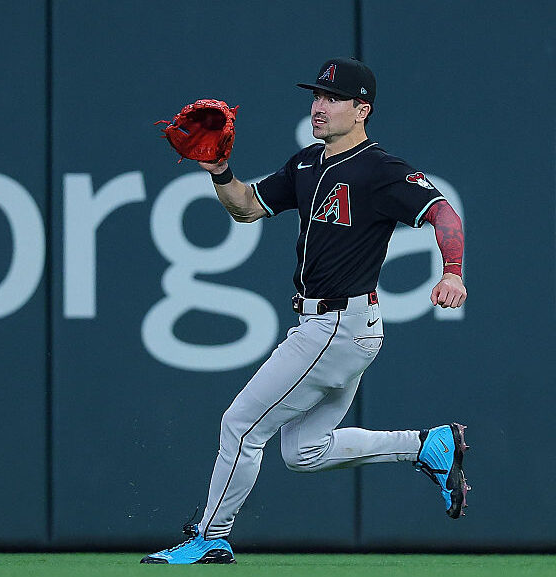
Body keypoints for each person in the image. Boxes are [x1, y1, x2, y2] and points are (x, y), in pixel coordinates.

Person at [142, 57, 469, 565]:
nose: (319, 106)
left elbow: (441, 212)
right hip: (333, 324)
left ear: (362, 110)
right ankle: (427, 446)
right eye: (316, 96)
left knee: (241, 425)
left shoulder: (380, 169)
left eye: (332, 98)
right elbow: (247, 208)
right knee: (304, 452)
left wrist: (452, 271)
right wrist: (219, 171)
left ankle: (211, 535)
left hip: (340, 322)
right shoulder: (306, 163)